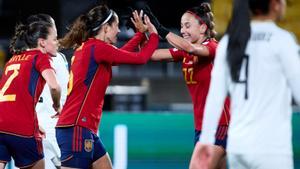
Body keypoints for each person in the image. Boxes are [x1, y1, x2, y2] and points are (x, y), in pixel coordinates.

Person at [191, 0, 300, 168]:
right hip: (271, 149)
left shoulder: (229, 42)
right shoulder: (282, 40)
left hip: (238, 146)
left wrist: (205, 140)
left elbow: (215, 97)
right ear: (275, 4)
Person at [55, 5, 159, 169]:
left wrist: (140, 35)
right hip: (76, 128)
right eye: (116, 26)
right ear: (105, 28)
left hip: (81, 127)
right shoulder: (97, 48)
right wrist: (154, 35)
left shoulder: (91, 48)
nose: (118, 31)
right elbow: (140, 58)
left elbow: (119, 55)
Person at [144, 3, 230, 169]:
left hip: (219, 125)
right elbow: (151, 55)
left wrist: (161, 29)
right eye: (181, 26)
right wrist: (143, 33)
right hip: (202, 126)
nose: (182, 30)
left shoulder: (212, 47)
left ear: (203, 28)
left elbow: (190, 47)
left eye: (187, 25)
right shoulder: (185, 51)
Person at [0, 16, 61, 169]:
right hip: (22, 128)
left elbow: (14, 97)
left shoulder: (13, 59)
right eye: (54, 39)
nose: (57, 42)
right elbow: (54, 86)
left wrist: (35, 121)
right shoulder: (40, 57)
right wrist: (57, 105)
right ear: (42, 42)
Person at [25, 14, 70, 169]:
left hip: (35, 126)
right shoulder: (53, 57)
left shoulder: (22, 57)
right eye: (54, 31)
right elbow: (57, 87)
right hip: (54, 125)